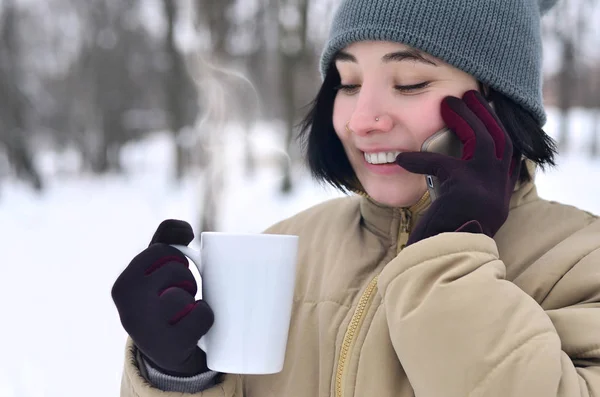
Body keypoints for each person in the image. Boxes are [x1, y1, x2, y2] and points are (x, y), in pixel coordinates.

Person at [111, 0, 600, 395]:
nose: (361, 119)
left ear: (496, 105)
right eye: (348, 84)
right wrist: (175, 375)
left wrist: (450, 261)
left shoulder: (582, 265)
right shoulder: (290, 248)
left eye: (410, 83)